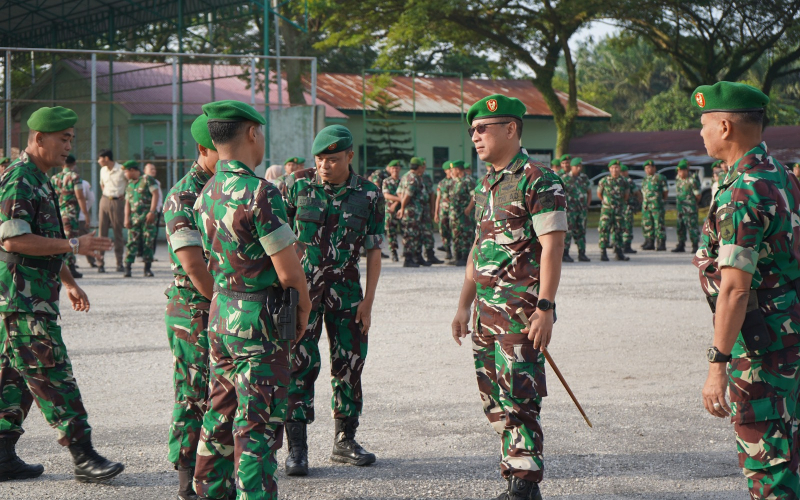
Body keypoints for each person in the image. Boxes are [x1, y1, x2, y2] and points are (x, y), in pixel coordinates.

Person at [192, 100, 311, 500]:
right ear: (252, 133)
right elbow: (288, 273)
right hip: (259, 323)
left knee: (220, 415)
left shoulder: (206, 191)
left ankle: (210, 491)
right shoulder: (260, 192)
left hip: (221, 313)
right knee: (257, 426)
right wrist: (304, 310)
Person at [452, 94, 566, 500]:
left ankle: (524, 482)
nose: (475, 136)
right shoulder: (486, 184)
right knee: (495, 401)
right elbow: (478, 247)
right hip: (485, 314)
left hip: (521, 313)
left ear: (511, 129)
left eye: (483, 128)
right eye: (472, 130)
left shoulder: (539, 179)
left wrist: (545, 306)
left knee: (520, 397)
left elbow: (553, 245)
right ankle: (517, 475)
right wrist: (464, 304)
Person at [0, 106, 123, 483]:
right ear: (39, 138)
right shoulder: (20, 178)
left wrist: (69, 281)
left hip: (29, 295)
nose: (69, 146)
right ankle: (83, 455)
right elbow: (13, 239)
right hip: (22, 298)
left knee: (11, 376)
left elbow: (46, 241)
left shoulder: (41, 178)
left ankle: (1, 454)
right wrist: (74, 244)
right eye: (63, 138)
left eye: (71, 138)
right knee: (52, 372)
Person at [692, 81, 800, 500]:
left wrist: (717, 364)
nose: (701, 133)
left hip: (761, 347)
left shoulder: (743, 190)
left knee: (767, 464)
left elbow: (735, 290)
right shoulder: (781, 175)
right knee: (787, 452)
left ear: (724, 127)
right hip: (787, 333)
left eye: (704, 124)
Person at [282, 125, 384, 476]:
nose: (325, 166)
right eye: (320, 159)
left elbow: (374, 250)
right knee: (298, 364)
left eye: (333, 159)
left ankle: (345, 440)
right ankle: (297, 448)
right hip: (301, 293)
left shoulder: (369, 193)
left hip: (348, 294)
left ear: (350, 156)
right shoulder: (296, 185)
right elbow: (278, 241)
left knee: (350, 364)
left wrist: (368, 301)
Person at [162, 114, 218, 500]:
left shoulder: (225, 188)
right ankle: (186, 479)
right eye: (222, 151)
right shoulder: (184, 196)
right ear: (203, 150)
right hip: (194, 310)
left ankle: (215, 471)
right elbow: (195, 267)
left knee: (222, 391)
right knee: (193, 392)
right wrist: (226, 305)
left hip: (222, 305)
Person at [51, 154, 89, 278]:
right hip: (70, 213)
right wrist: (86, 214)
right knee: (71, 239)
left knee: (60, 239)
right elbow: (80, 196)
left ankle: (61, 266)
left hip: (57, 214)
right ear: (74, 164)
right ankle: (71, 267)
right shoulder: (75, 177)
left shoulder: (54, 178)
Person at [122, 161, 159, 277]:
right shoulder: (129, 185)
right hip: (134, 219)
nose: (125, 174)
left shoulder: (147, 180)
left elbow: (156, 194)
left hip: (147, 218)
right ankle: (128, 268)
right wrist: (126, 218)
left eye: (126, 172)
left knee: (148, 242)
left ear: (132, 170)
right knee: (131, 242)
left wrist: (152, 211)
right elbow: (127, 203)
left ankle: (147, 268)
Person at [97, 149, 127, 273]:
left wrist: (125, 194)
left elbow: (129, 183)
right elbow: (102, 184)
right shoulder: (102, 170)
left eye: (100, 158)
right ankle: (100, 263)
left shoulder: (121, 169)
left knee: (117, 232)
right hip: (104, 200)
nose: (98, 161)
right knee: (102, 233)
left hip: (117, 202)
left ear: (106, 158)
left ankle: (119, 263)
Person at [397, 157, 429, 267]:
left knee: (417, 234)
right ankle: (408, 259)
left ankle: (417, 257)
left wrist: (402, 204)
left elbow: (399, 192)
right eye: (422, 167)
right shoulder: (413, 178)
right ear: (418, 167)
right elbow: (407, 195)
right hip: (412, 212)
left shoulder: (405, 176)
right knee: (410, 235)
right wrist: (402, 207)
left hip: (416, 211)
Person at [597, 159, 630, 262]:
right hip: (607, 210)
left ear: (620, 169)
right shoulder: (604, 181)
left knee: (619, 230)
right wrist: (606, 202)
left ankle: (619, 252)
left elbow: (626, 195)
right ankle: (603, 252)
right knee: (604, 229)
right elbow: (599, 194)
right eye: (612, 168)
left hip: (619, 210)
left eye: (616, 167)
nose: (614, 170)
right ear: (609, 169)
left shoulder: (624, 181)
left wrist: (619, 203)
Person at [447, 160, 476, 266]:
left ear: (458, 169)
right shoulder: (453, 181)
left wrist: (468, 208)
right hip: (454, 214)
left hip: (465, 214)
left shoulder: (468, 180)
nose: (451, 172)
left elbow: (474, 196)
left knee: (466, 235)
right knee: (455, 235)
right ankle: (457, 256)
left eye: (452, 170)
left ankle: (465, 257)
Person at [562, 156, 591, 262]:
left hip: (582, 210)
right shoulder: (565, 178)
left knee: (581, 232)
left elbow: (589, 192)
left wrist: (587, 205)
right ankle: (565, 254)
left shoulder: (584, 178)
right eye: (576, 166)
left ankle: (582, 253)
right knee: (568, 232)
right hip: (570, 211)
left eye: (580, 166)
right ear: (572, 167)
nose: (579, 168)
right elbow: (560, 194)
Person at [416, 158, 443, 265]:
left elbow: (431, 193)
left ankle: (430, 255)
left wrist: (432, 209)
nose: (423, 168)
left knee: (428, 232)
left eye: (424, 166)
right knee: (417, 233)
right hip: (416, 210)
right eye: (421, 166)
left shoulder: (426, 177)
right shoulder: (412, 177)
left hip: (425, 209)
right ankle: (417, 256)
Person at [672, 159, 701, 253]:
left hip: (690, 209)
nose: (680, 173)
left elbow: (698, 195)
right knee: (680, 227)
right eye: (678, 171)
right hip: (680, 208)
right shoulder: (678, 179)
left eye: (681, 171)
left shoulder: (692, 180)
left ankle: (695, 245)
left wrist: (693, 203)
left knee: (692, 227)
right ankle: (681, 244)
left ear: (686, 170)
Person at [639, 160, 668, 251]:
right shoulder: (645, 179)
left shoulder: (660, 178)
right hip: (646, 206)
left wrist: (661, 201)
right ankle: (649, 242)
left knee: (659, 224)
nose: (648, 170)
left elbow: (665, 191)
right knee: (647, 224)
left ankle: (661, 243)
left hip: (657, 206)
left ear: (654, 168)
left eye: (650, 167)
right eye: (646, 168)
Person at [382, 160, 403, 262]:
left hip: (402, 209)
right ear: (390, 169)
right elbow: (386, 195)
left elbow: (406, 194)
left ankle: (407, 251)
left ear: (400, 169)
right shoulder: (386, 181)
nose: (395, 170)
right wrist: (400, 200)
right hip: (390, 211)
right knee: (391, 231)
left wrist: (396, 202)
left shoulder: (403, 181)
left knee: (406, 231)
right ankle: (393, 252)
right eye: (393, 168)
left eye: (397, 168)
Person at [435, 161, 455, 260]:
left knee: (455, 230)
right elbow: (438, 198)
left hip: (454, 210)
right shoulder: (442, 183)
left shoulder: (456, 181)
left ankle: (457, 252)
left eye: (452, 170)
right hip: (443, 210)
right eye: (449, 170)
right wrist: (436, 213)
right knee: (444, 230)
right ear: (445, 171)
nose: (451, 172)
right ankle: (447, 250)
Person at [620, 164, 642, 254]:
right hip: (625, 207)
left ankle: (620, 245)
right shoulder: (627, 181)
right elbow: (637, 192)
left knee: (621, 226)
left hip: (621, 207)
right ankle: (625, 245)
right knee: (626, 226)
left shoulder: (619, 181)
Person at [144, 163, 163, 259]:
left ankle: (151, 255)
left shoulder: (156, 182)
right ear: (145, 171)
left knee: (153, 234)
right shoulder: (143, 182)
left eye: (154, 169)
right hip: (147, 211)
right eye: (151, 169)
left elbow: (158, 197)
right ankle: (143, 254)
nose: (153, 171)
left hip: (156, 210)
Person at [79, 178, 97, 267]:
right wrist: (84, 210)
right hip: (80, 217)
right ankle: (92, 260)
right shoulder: (83, 183)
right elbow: (91, 199)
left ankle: (69, 263)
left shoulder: (58, 179)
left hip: (64, 216)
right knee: (87, 239)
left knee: (65, 240)